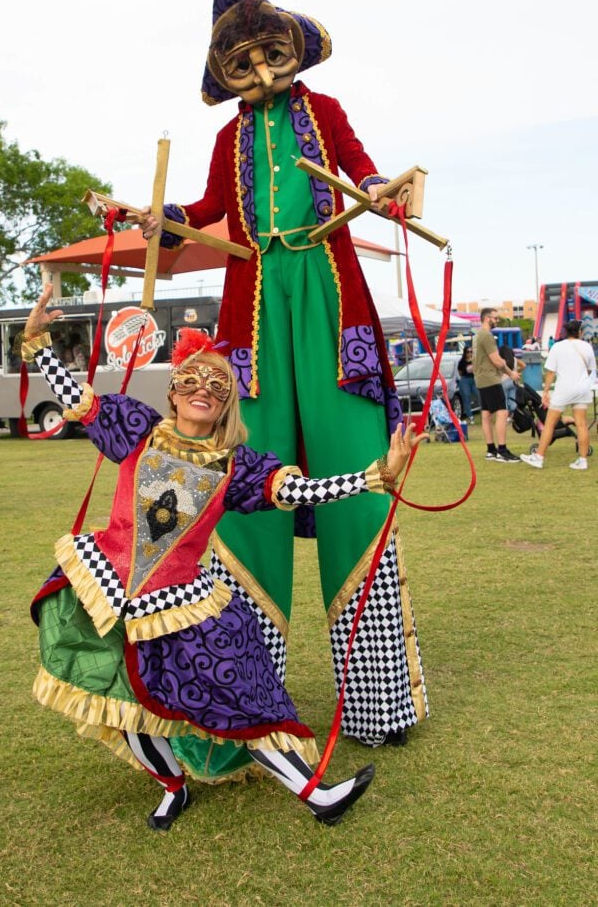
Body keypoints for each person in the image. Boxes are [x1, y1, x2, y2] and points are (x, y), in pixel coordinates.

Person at [139, 0, 428, 781]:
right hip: (256, 304)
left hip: (328, 302)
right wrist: (163, 223)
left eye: (272, 52)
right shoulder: (230, 137)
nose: (262, 69)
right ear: (226, 70)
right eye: (244, 58)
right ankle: (240, 701)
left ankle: (377, 703)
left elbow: (364, 173)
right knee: (247, 494)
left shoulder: (322, 112)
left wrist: (380, 191)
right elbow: (204, 211)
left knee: (357, 487)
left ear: (293, 52)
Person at [24, 286, 425, 831]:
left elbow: (301, 492)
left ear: (226, 402)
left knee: (242, 691)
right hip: (106, 587)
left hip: (181, 603)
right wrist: (38, 343)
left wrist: (375, 475)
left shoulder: (239, 465)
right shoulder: (137, 430)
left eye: (217, 385)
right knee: (126, 700)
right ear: (172, 390)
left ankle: (317, 795)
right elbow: (78, 399)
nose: (202, 390)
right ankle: (172, 788)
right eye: (191, 380)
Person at [520, 320, 596, 470]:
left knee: (550, 423)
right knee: (581, 424)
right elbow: (589, 369)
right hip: (582, 388)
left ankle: (539, 457)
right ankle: (582, 460)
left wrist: (546, 391)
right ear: (579, 332)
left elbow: (550, 372)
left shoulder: (557, 347)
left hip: (564, 388)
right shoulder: (587, 347)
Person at [472, 309, 522, 462]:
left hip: (480, 379)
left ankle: (491, 450)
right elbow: (497, 360)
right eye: (496, 318)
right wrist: (511, 373)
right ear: (487, 318)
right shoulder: (486, 336)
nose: (497, 321)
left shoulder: (477, 335)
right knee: (502, 412)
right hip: (490, 379)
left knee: (486, 415)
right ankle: (502, 450)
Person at [498, 344, 526, 416]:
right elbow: (524, 365)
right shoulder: (515, 359)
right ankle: (514, 415)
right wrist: (517, 372)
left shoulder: (501, 361)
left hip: (503, 381)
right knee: (512, 400)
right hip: (514, 381)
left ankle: (505, 416)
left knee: (504, 400)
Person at [456, 346, 478, 423]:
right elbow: (460, 372)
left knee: (479, 395)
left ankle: (485, 413)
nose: (469, 354)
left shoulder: (475, 361)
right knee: (467, 397)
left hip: (474, 379)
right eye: (468, 352)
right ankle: (470, 416)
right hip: (465, 379)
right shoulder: (462, 362)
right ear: (465, 353)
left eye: (471, 352)